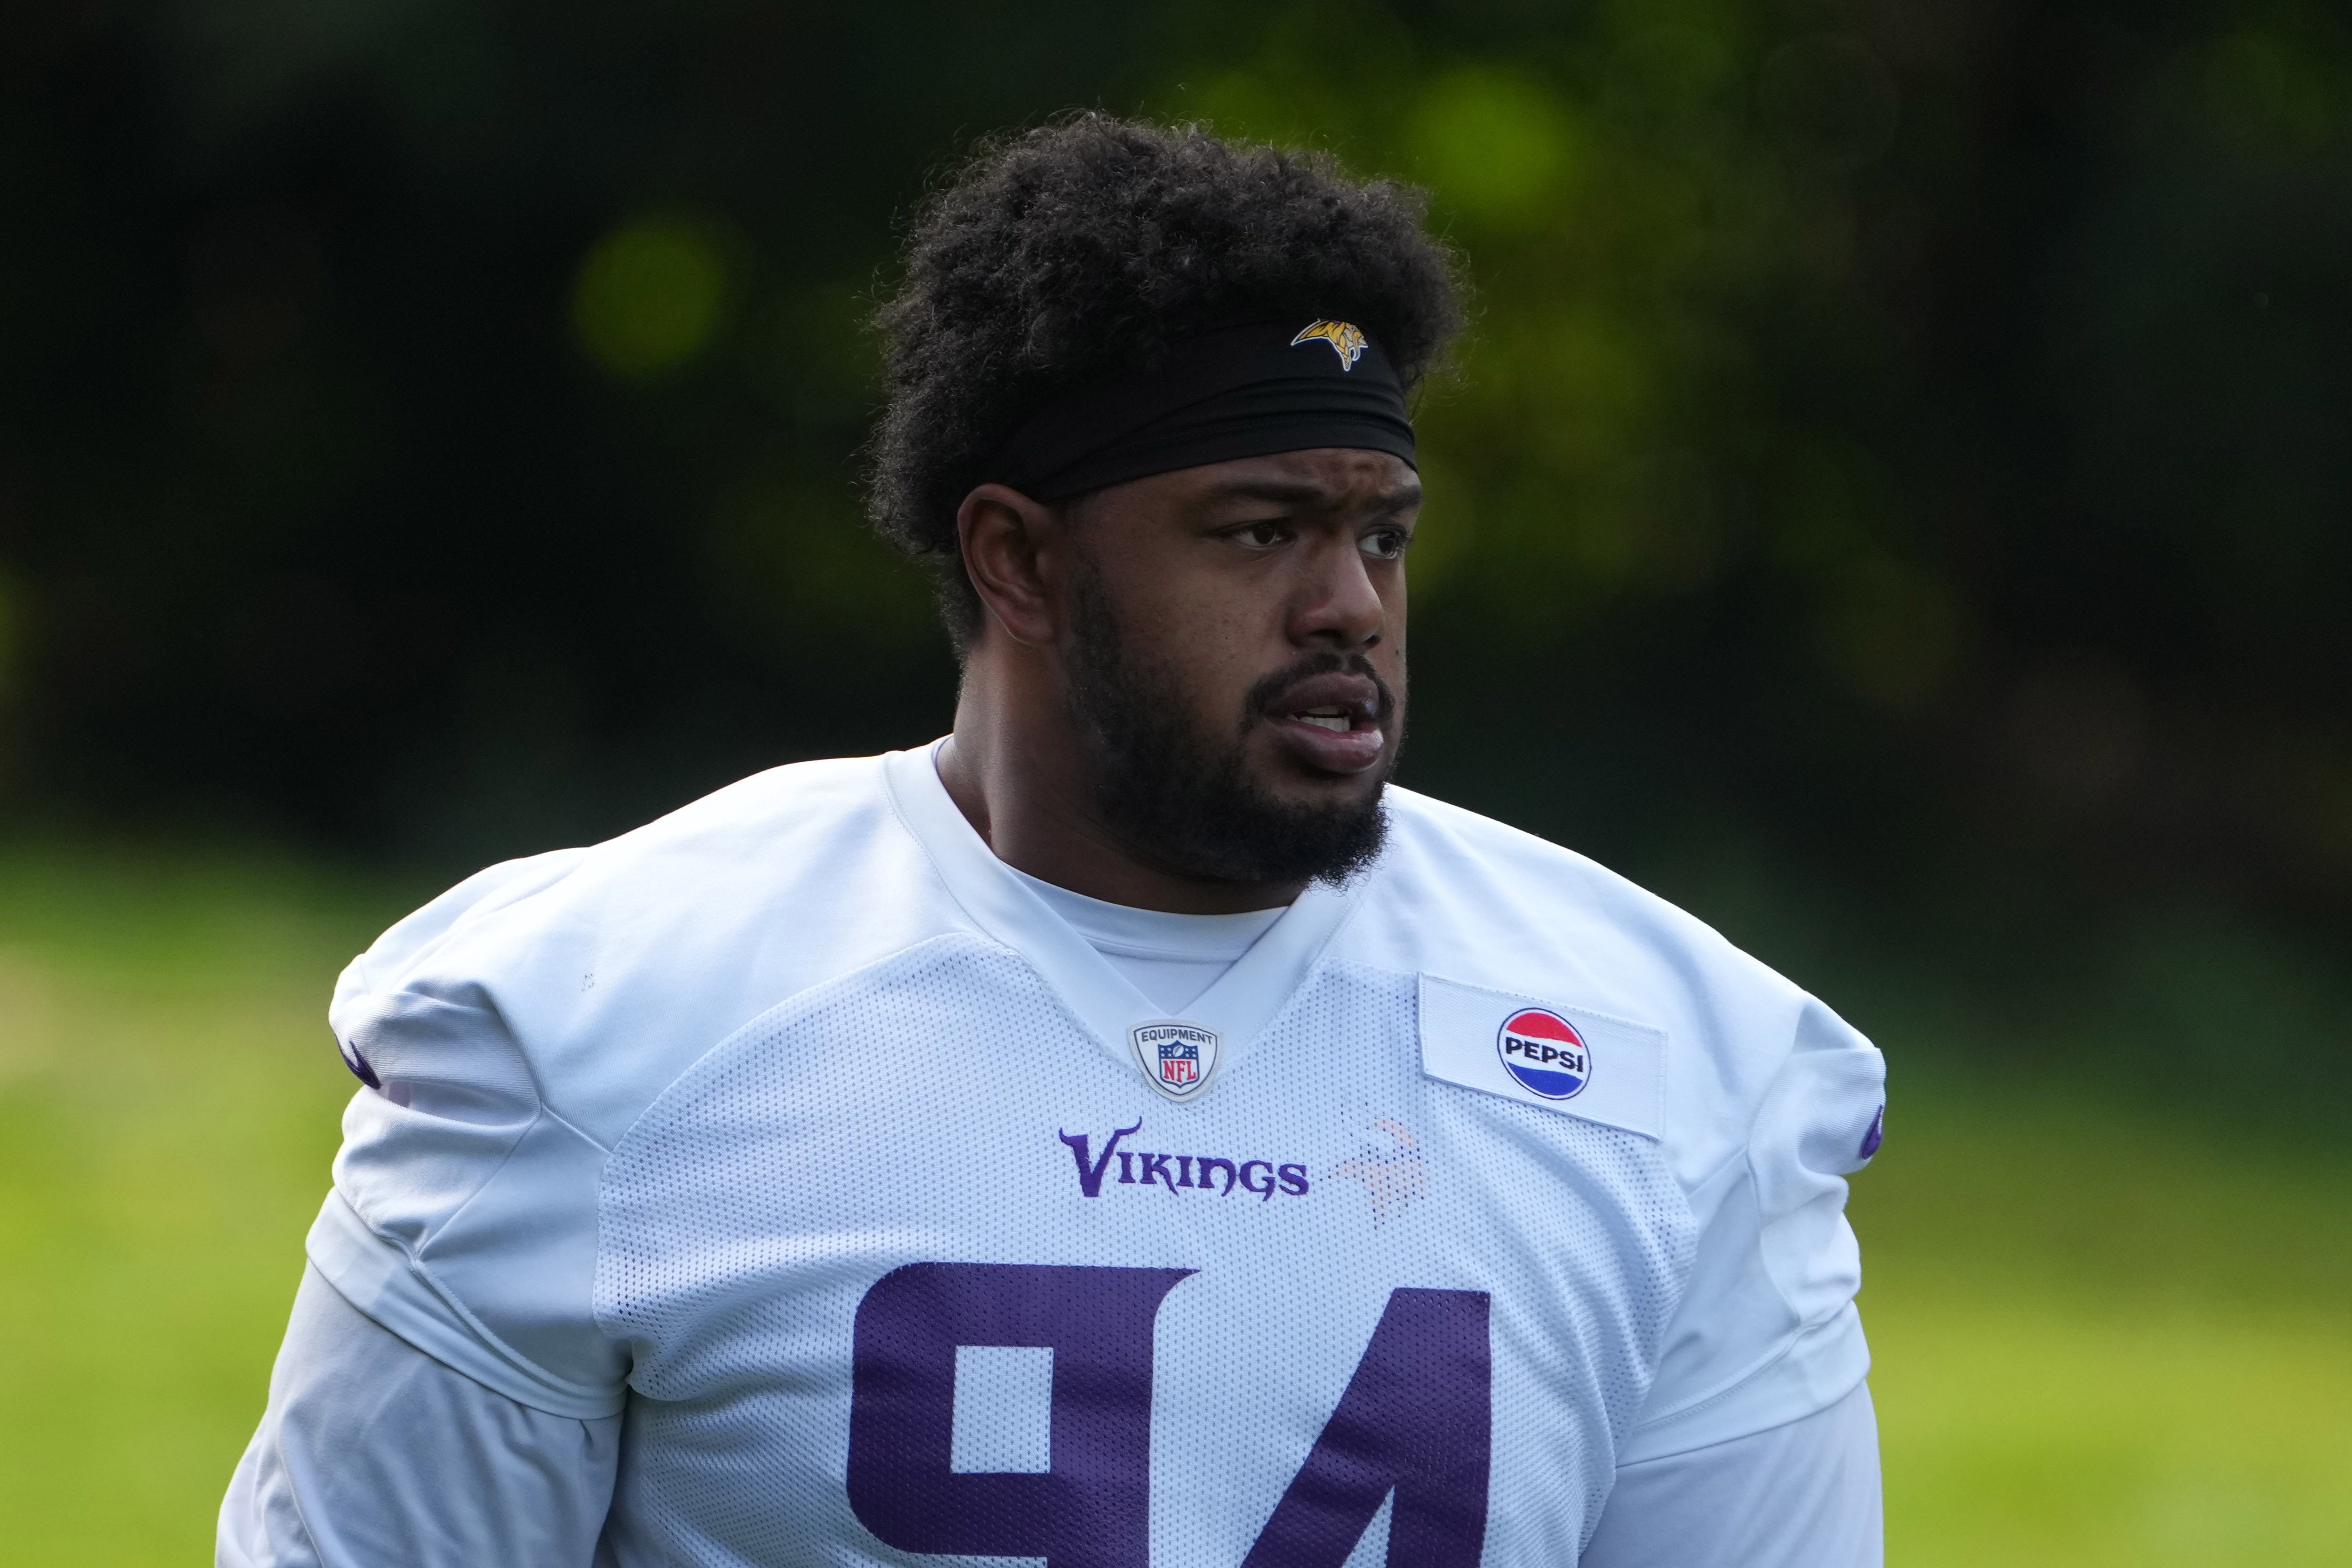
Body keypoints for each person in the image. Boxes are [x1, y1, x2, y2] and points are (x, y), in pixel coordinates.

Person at [218, 115, 1886, 1567]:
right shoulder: (599, 1024)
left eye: (1382, 536)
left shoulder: (1683, 1069)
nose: (1350, 608)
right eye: (1260, 531)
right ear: (1018, 560)